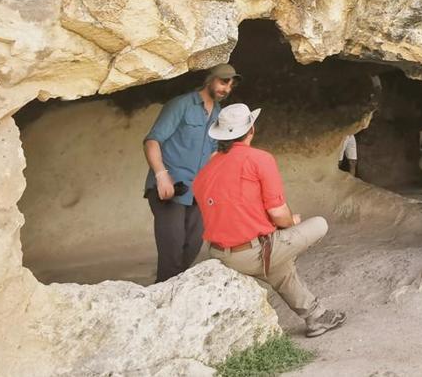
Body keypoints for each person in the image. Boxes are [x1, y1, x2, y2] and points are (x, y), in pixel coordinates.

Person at [193, 104, 346, 338]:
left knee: (280, 266)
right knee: (318, 224)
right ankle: (285, 263)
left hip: (219, 254)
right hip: (252, 253)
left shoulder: (205, 171)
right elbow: (278, 213)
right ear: (251, 129)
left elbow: (228, 211)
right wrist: (291, 222)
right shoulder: (259, 159)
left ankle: (316, 317)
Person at [142, 63, 237, 282]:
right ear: (210, 79)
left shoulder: (219, 114)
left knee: (192, 246)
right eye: (224, 81)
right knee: (172, 251)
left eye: (231, 84)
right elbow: (152, 141)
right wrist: (161, 175)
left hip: (198, 192)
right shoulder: (181, 105)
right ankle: (163, 301)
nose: (227, 88)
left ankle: (171, 292)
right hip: (170, 188)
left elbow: (213, 153)